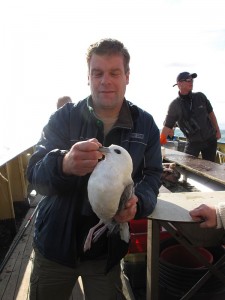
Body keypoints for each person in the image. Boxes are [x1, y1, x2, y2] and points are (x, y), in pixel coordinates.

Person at [27, 38, 163, 300]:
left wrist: (139, 203)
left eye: (114, 72)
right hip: (55, 246)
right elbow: (34, 175)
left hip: (106, 253)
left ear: (127, 76)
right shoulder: (63, 118)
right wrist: (63, 164)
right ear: (88, 77)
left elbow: (153, 175)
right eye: (97, 73)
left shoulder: (144, 124)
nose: (105, 81)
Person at [160, 72, 221, 161]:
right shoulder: (175, 105)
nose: (191, 82)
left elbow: (211, 114)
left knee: (210, 168)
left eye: (192, 80)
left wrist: (217, 131)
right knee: (186, 167)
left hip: (210, 140)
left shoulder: (200, 96)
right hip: (193, 143)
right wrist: (159, 144)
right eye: (188, 80)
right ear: (179, 83)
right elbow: (167, 127)